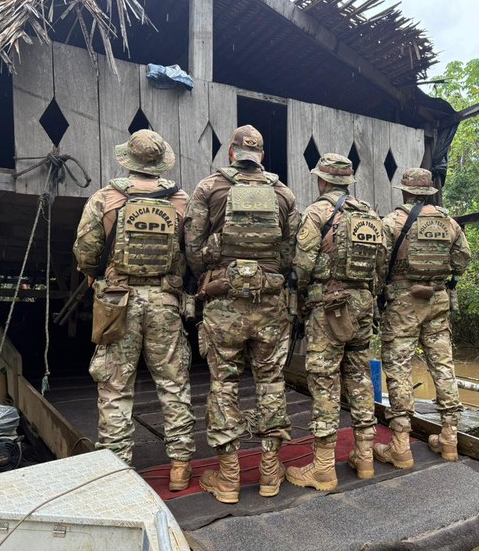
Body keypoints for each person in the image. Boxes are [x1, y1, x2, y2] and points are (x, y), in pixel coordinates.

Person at [74, 129, 196, 491]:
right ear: (159, 165)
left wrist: (97, 277)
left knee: (115, 388)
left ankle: (116, 471)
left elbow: (85, 250)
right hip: (165, 302)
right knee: (173, 384)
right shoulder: (181, 201)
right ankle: (179, 466)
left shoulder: (105, 198)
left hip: (118, 302)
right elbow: (194, 252)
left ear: (127, 160)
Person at [184, 125, 298, 504]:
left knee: (224, 384)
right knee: (270, 382)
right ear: (261, 156)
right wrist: (264, 274)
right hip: (270, 306)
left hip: (223, 304)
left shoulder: (209, 188)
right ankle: (269, 474)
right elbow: (288, 253)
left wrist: (217, 273)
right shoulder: (283, 194)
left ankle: (229, 478)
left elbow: (194, 249)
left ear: (232, 153)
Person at [286, 153, 387, 491]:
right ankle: (365, 457)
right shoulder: (371, 215)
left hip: (329, 306)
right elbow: (381, 262)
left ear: (322, 180)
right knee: (359, 377)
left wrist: (301, 297)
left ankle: (324, 468)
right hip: (362, 304)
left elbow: (302, 264)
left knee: (325, 381)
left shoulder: (317, 213)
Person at [374, 167, 471, 468]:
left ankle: (401, 444)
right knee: (443, 365)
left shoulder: (391, 222)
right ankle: (450, 439)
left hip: (403, 303)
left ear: (404, 191)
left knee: (399, 367)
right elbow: (463, 260)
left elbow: (377, 264)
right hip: (437, 299)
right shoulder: (448, 222)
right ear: (428, 192)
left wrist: (383, 291)